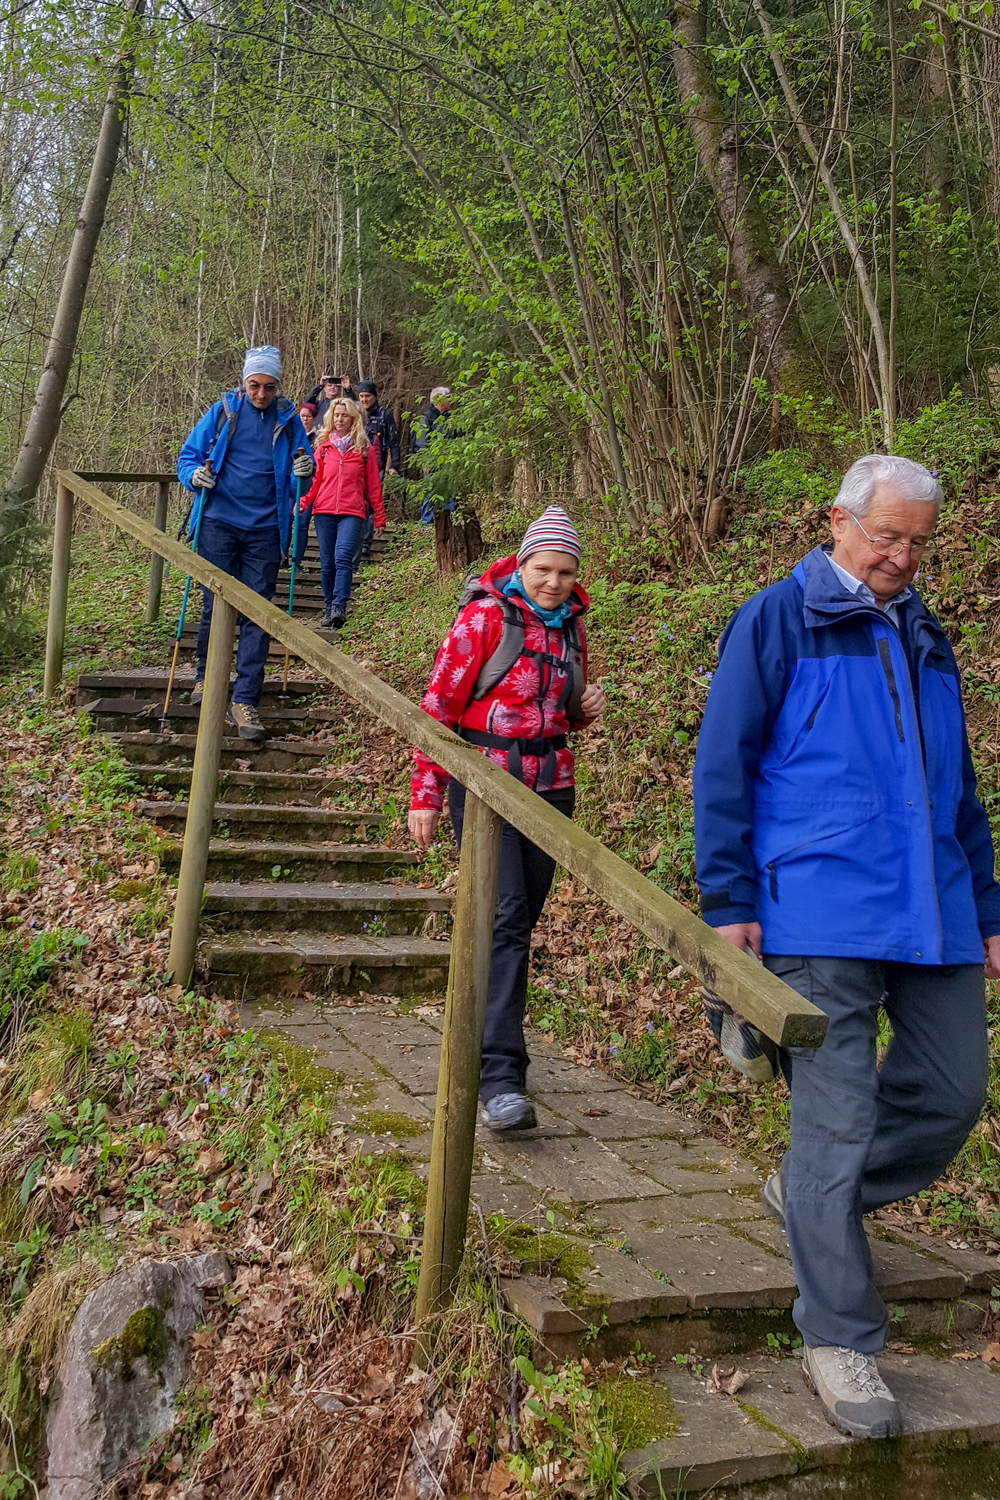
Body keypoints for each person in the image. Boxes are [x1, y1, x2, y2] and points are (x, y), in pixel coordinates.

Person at [692, 454, 1000, 1440]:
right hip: (816, 906)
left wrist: (987, 907)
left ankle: (809, 1198)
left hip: (933, 909)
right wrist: (729, 898)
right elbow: (724, 763)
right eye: (886, 536)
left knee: (951, 1093)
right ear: (838, 521)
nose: (902, 556)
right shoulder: (776, 620)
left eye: (918, 542)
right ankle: (838, 1338)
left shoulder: (925, 635)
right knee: (836, 1121)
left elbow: (958, 791)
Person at [408, 506, 606, 1131]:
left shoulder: (571, 628)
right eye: (544, 569)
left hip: (553, 788)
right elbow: (438, 705)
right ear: (522, 564)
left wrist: (584, 708)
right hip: (487, 786)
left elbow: (561, 713)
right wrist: (426, 792)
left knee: (515, 925)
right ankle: (499, 1078)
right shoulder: (486, 618)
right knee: (506, 918)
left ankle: (480, 1039)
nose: (554, 582)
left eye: (566, 572)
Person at [177, 346, 314, 740]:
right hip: (218, 521)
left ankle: (245, 698)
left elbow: (304, 471)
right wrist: (194, 476)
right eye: (254, 385)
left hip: (267, 527)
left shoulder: (288, 419)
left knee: (258, 611)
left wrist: (306, 469)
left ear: (278, 385)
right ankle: (207, 678)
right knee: (215, 603)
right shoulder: (223, 412)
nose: (261, 393)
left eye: (269, 387)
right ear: (244, 381)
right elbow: (188, 457)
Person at [299, 396, 385, 628]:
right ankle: (329, 606)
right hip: (324, 510)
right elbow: (315, 481)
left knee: (343, 557)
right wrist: (303, 502)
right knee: (327, 562)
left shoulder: (364, 449)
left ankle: (339, 605)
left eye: (344, 415)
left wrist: (379, 516)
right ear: (331, 417)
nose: (339, 419)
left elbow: (373, 485)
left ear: (353, 418)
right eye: (336, 415)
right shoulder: (323, 448)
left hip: (352, 511)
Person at [355, 379, 401, 564]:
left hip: (377, 467)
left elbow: (393, 443)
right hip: (356, 467)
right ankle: (357, 540)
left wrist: (394, 465)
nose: (364, 400)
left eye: (367, 396)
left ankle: (366, 542)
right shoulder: (355, 415)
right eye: (361, 396)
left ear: (374, 396)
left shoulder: (384, 415)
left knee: (371, 504)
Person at [413, 385, 456, 525]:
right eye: (447, 398)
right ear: (439, 400)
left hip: (449, 463)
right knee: (430, 494)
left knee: (449, 495)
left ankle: (448, 522)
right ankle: (426, 523)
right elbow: (421, 441)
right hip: (432, 464)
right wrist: (425, 461)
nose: (450, 400)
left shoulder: (450, 418)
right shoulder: (427, 418)